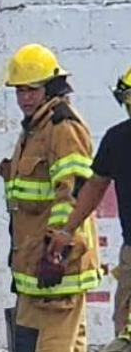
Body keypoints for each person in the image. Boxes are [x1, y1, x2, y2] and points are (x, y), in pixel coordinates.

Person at [0, 44, 102, 352]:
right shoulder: (36, 128)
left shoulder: (62, 127)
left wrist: (58, 248)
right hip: (38, 255)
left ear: (52, 86)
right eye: (18, 91)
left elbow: (70, 194)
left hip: (57, 258)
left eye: (30, 90)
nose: (23, 98)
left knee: (48, 341)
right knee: (68, 348)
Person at [49, 65, 131, 332]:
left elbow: (94, 188)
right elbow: (94, 188)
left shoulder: (118, 138)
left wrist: (67, 229)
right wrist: (67, 229)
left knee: (126, 327)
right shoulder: (118, 139)